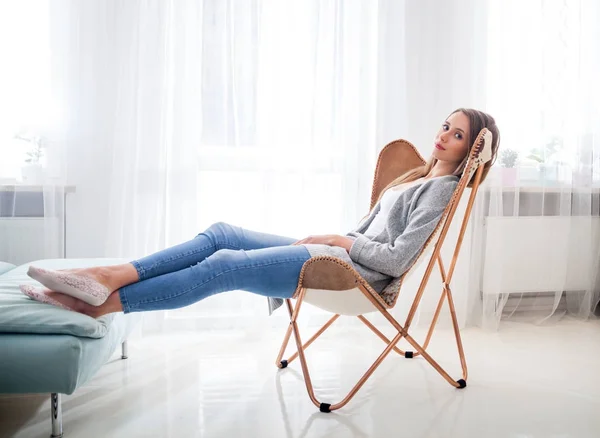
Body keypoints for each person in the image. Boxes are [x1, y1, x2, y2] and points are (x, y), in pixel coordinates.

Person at [20, 108, 500, 319]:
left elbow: (395, 262)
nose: (443, 136)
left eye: (458, 134)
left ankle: (96, 304)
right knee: (221, 232)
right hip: (333, 254)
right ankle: (107, 274)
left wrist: (340, 241)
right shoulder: (416, 176)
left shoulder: (441, 191)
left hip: (352, 274)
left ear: (472, 150)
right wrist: (335, 239)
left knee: (224, 266)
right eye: (445, 125)